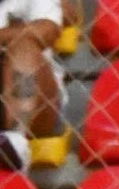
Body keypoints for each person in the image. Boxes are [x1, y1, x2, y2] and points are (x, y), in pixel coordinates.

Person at [0, 0, 65, 170]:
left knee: (23, 46)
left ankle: (15, 140)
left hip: (35, 97)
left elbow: (46, 31)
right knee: (22, 37)